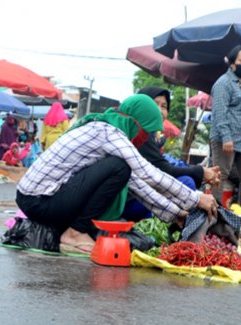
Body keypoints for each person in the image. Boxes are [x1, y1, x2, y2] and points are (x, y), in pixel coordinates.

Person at [16, 94, 217, 254]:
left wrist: (175, 214)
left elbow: (136, 183)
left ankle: (75, 230)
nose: (145, 138)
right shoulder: (109, 133)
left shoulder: (105, 129)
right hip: (39, 201)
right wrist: (196, 198)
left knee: (121, 169)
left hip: (34, 199)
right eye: (145, 132)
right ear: (136, 122)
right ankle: (75, 233)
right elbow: (148, 174)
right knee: (119, 167)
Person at [138, 86, 220, 190]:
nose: (159, 110)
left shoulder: (154, 134)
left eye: (164, 106)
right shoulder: (139, 134)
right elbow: (163, 168)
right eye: (154, 104)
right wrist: (201, 172)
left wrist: (202, 172)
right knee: (186, 182)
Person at [210, 45, 241, 207]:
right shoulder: (223, 83)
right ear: (232, 63)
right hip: (225, 138)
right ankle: (214, 212)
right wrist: (226, 137)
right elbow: (219, 112)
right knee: (219, 176)